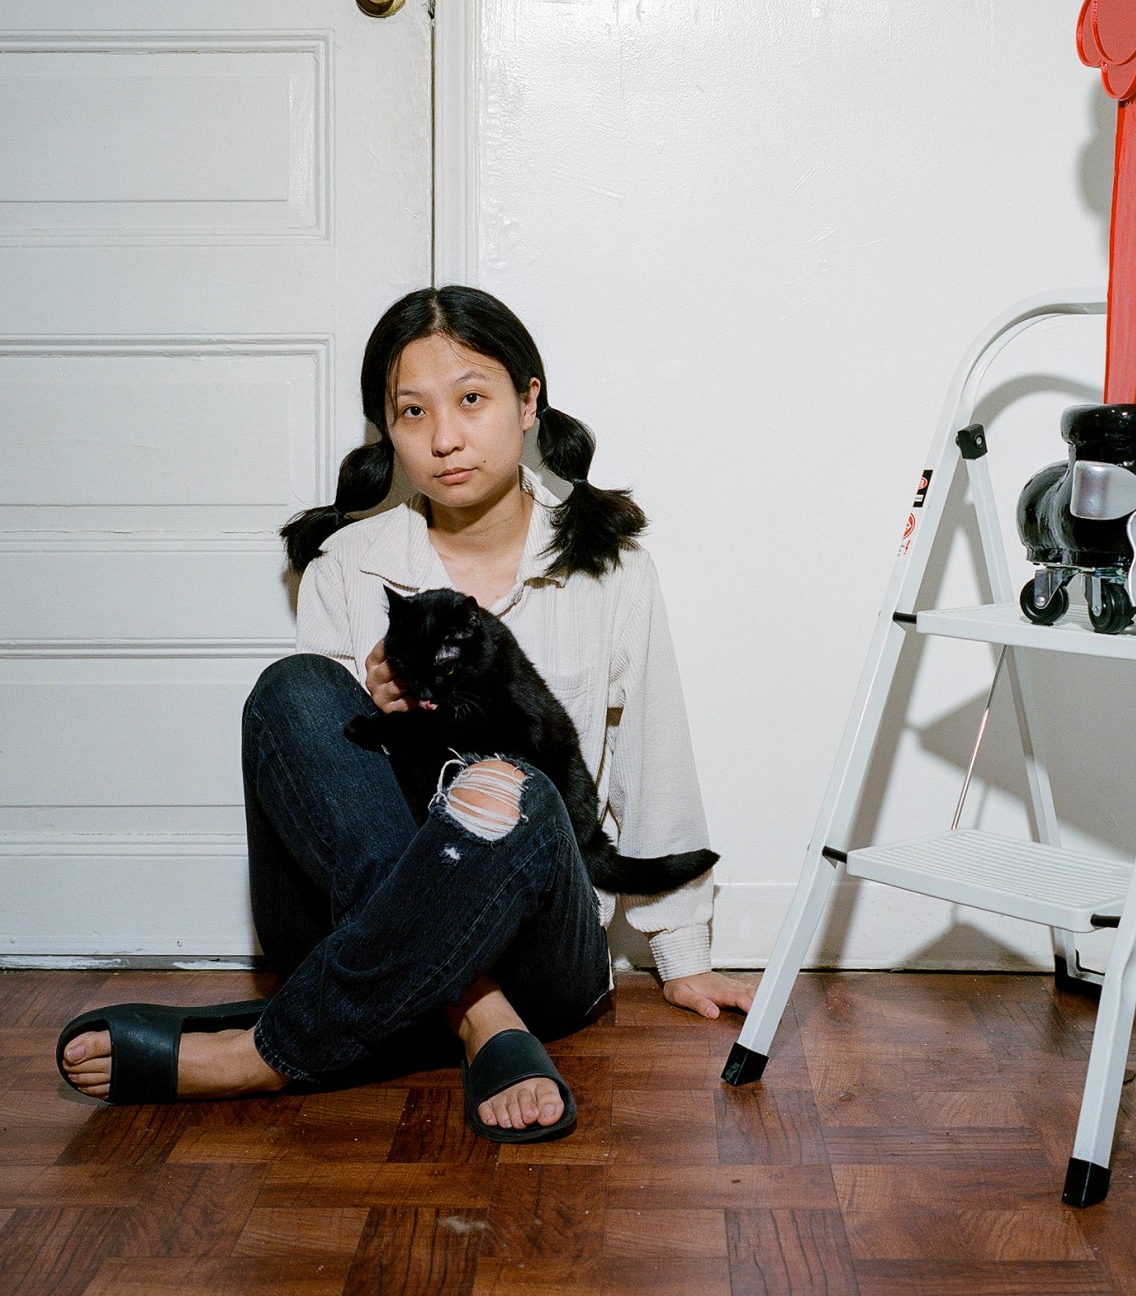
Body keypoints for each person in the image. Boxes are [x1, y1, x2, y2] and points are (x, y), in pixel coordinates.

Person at [57, 285, 751, 1141]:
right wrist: (382, 717)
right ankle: (480, 1019)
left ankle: (264, 1054)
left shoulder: (609, 566)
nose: (446, 437)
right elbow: (328, 796)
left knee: (515, 787)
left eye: (471, 399)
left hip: (542, 953)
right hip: (365, 910)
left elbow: (655, 753)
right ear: (387, 430)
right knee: (295, 690)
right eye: (412, 412)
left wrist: (684, 957)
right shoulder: (348, 569)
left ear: (529, 401)